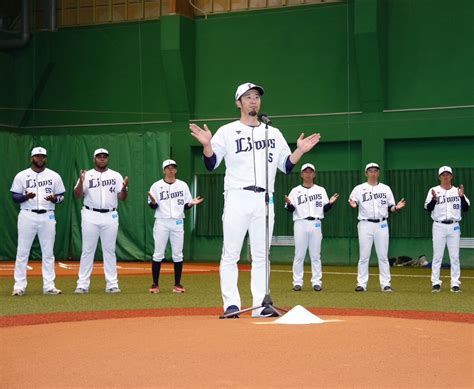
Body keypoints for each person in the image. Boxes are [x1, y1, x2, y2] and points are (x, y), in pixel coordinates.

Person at [189, 82, 320, 318]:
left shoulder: (273, 132)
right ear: (238, 103)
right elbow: (211, 164)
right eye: (248, 97)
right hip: (237, 195)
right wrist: (208, 145)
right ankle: (231, 304)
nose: (253, 101)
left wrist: (299, 151)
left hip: (264, 199)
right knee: (231, 253)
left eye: (257, 97)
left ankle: (261, 305)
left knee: (262, 255)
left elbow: (286, 166)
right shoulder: (227, 131)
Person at [10, 147, 66, 296]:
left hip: (47, 215)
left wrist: (55, 199)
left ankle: (49, 286)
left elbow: (61, 196)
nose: (40, 159)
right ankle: (19, 286)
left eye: (42, 156)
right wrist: (25, 197)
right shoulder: (22, 176)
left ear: (45, 158)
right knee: (22, 252)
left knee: (48, 253)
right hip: (27, 215)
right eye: (37, 156)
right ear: (31, 158)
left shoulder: (54, 176)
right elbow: (14, 196)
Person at [74, 148, 128, 294]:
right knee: (87, 250)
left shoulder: (116, 175)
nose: (102, 158)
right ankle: (82, 284)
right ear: (94, 159)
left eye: (104, 156)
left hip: (110, 215)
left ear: (107, 159)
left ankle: (112, 284)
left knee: (109, 250)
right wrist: (81, 182)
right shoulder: (87, 175)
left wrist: (124, 189)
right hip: (90, 214)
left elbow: (122, 198)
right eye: (99, 156)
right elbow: (77, 195)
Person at [147, 159, 204, 294]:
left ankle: (177, 284)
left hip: (178, 221)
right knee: (158, 253)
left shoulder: (183, 186)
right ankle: (155, 284)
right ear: (163, 170)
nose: (170, 170)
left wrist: (191, 204)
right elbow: (152, 205)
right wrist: (154, 202)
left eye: (173, 167)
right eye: (168, 168)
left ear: (176, 170)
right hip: (161, 221)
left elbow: (186, 205)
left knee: (178, 254)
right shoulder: (156, 186)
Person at [348, 162, 406, 292]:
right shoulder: (359, 188)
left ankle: (385, 284)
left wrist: (396, 207)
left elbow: (391, 207)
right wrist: (353, 204)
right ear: (366, 173)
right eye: (370, 171)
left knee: (383, 256)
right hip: (365, 224)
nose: (373, 173)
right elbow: (353, 201)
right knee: (364, 256)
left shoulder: (386, 189)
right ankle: (361, 284)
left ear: (378, 173)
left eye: (375, 171)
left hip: (381, 224)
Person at [284, 163, 339, 292]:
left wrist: (330, 203)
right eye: (305, 172)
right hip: (300, 223)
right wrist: (290, 204)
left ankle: (316, 282)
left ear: (314, 174)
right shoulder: (295, 190)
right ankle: (297, 282)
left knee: (315, 255)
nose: (308, 174)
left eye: (310, 172)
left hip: (316, 222)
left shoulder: (320, 190)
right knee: (299, 254)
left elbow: (324, 208)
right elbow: (290, 209)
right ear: (301, 174)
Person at [424, 166, 470, 293]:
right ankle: (436, 283)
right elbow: (427, 208)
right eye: (443, 174)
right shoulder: (433, 190)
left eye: (448, 174)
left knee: (454, 256)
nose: (445, 176)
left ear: (451, 176)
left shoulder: (457, 191)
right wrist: (434, 199)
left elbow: (466, 208)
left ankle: (455, 284)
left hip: (454, 226)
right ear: (439, 177)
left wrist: (461, 197)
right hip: (439, 225)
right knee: (437, 256)